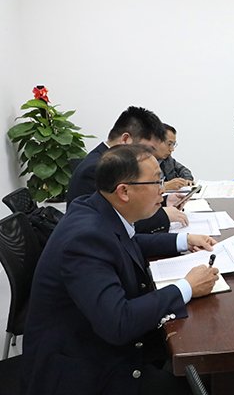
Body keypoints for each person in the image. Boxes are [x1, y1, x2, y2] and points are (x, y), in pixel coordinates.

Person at [22, 145, 220, 395]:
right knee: (206, 381)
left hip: (100, 345)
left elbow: (127, 242)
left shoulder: (97, 209)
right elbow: (119, 322)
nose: (163, 190)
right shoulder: (85, 239)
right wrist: (186, 287)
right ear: (124, 191)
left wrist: (183, 240)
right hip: (84, 372)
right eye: (156, 181)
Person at [67, 106, 188, 233]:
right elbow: (112, 222)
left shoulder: (108, 161)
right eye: (147, 150)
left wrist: (164, 201)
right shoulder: (95, 168)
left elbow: (124, 207)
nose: (150, 156)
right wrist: (163, 216)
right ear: (125, 139)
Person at [157, 123, 194, 191]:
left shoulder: (167, 160)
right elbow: (140, 188)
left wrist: (187, 180)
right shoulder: (140, 162)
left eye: (173, 144)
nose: (172, 149)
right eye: (169, 144)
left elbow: (183, 170)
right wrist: (164, 186)